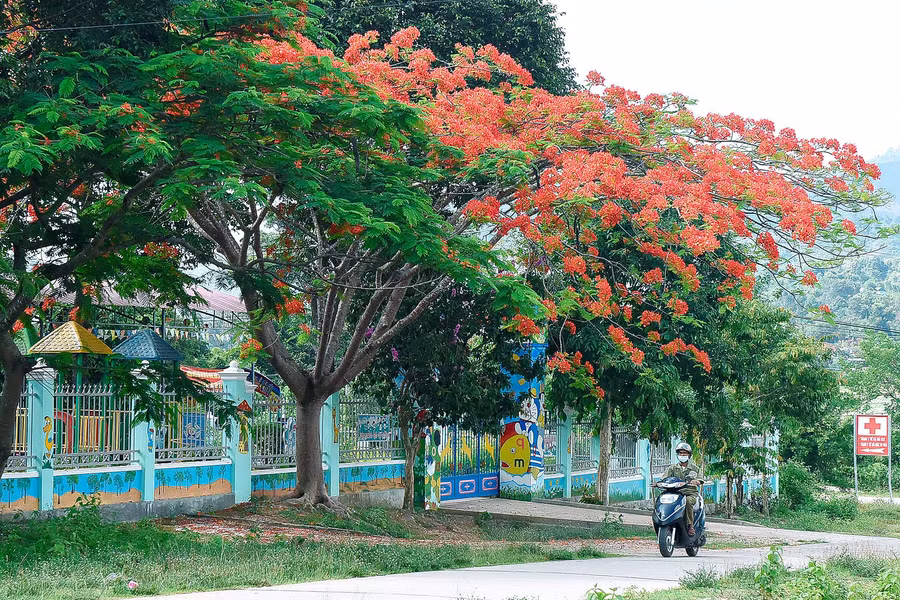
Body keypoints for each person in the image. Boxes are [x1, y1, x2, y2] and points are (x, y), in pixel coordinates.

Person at [661, 442, 702, 536]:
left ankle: (690, 525)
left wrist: (696, 481)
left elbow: (700, 479)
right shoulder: (672, 468)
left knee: (687, 501)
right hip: (674, 493)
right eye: (680, 453)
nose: (682, 455)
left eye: (685, 453)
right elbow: (664, 478)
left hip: (689, 493)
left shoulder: (694, 468)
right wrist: (659, 483)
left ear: (689, 455)